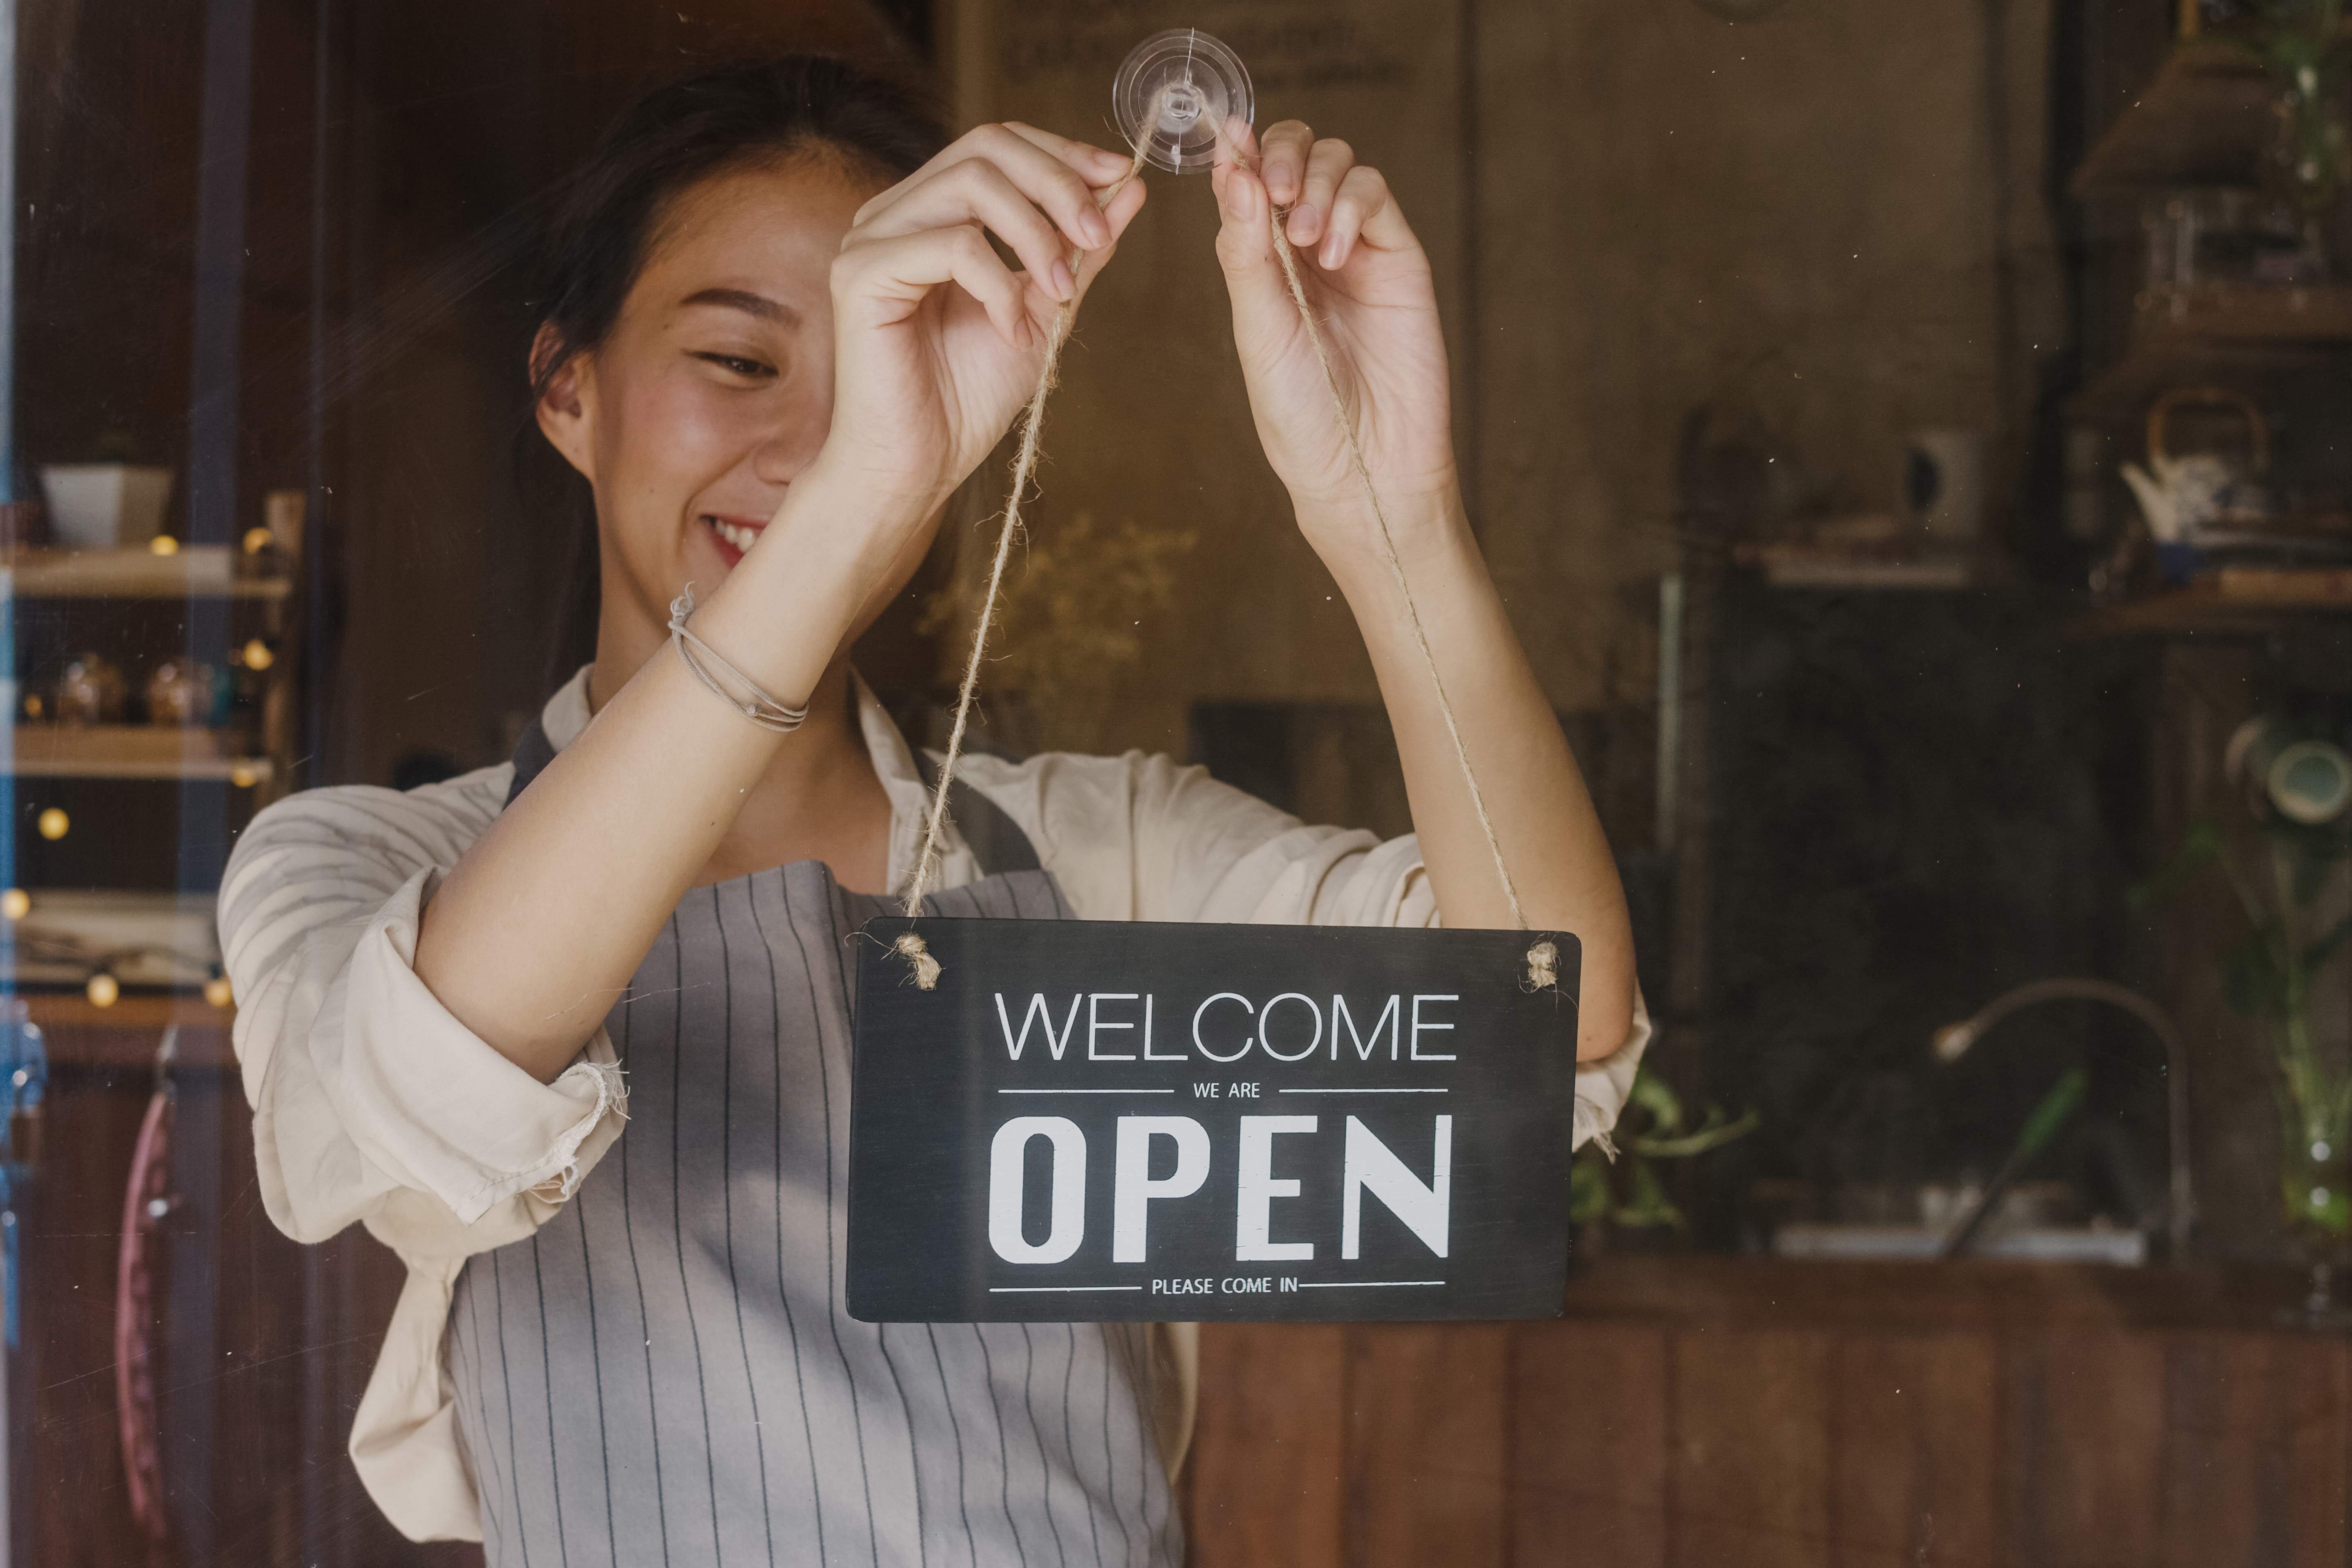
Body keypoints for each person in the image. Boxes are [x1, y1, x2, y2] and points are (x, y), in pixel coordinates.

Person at [218, 53, 1648, 1566]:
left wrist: (1391, 510)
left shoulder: (1102, 852)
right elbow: (409, 1100)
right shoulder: (375, 865)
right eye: (742, 363)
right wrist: (846, 505)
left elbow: (1525, 1043)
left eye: (874, 371)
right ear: (569, 392)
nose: (816, 437)